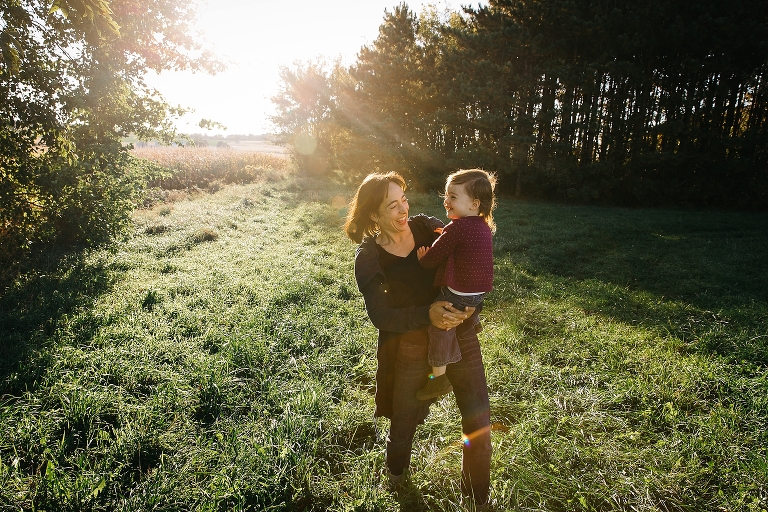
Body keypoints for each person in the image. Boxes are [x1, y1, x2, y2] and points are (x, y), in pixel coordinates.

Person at [345, 172, 491, 509]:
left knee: (478, 422)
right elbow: (381, 315)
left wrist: (471, 309)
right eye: (392, 206)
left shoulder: (428, 228)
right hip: (410, 345)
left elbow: (472, 263)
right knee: (404, 421)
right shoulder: (370, 257)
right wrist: (428, 314)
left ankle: (477, 499)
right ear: (374, 214)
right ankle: (396, 476)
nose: (403, 210)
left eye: (404, 200)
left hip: (459, 335)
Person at [415, 169, 496, 401]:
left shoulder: (456, 228)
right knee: (465, 308)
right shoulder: (483, 226)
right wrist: (445, 233)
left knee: (440, 326)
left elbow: (434, 258)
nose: (446, 201)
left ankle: (438, 379)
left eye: (453, 197)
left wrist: (423, 259)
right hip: (478, 295)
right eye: (446, 195)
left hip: (457, 294)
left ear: (474, 204)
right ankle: (472, 323)